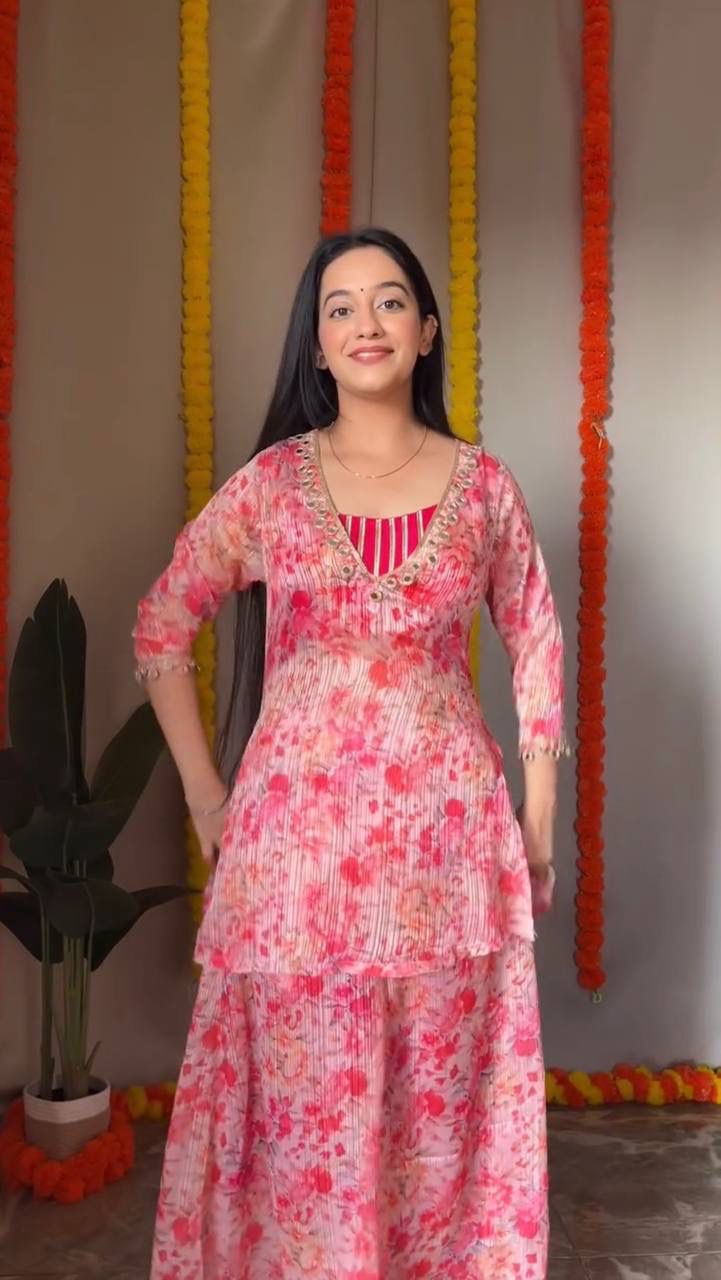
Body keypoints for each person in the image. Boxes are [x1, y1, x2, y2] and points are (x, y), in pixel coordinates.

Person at [134, 226, 567, 1280]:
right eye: (339, 308)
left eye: (387, 302)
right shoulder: (272, 488)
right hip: (297, 870)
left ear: (425, 331)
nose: (364, 323)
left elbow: (537, 640)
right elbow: (161, 625)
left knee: (437, 1118)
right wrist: (205, 794)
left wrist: (537, 820)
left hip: (445, 862)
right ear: (317, 347)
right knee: (302, 1131)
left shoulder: (484, 489)